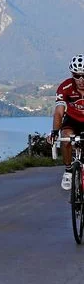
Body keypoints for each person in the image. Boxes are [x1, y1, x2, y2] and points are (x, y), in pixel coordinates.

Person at [48, 55, 84, 190]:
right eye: (77, 75)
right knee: (66, 138)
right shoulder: (66, 87)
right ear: (72, 74)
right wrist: (54, 132)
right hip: (73, 119)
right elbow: (59, 112)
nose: (81, 80)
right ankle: (68, 170)